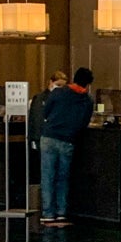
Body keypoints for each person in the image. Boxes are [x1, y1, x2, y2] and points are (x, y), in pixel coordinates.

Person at [40, 67, 94, 226]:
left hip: (50, 137)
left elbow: (45, 112)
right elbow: (84, 123)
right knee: (63, 178)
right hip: (68, 140)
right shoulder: (87, 101)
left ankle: (48, 213)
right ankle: (61, 212)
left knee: (48, 176)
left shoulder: (58, 93)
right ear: (88, 84)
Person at [28, 71, 68, 150]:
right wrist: (35, 138)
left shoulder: (64, 99)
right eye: (58, 85)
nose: (60, 88)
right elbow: (36, 119)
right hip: (43, 137)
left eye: (63, 86)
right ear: (51, 82)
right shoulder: (40, 98)